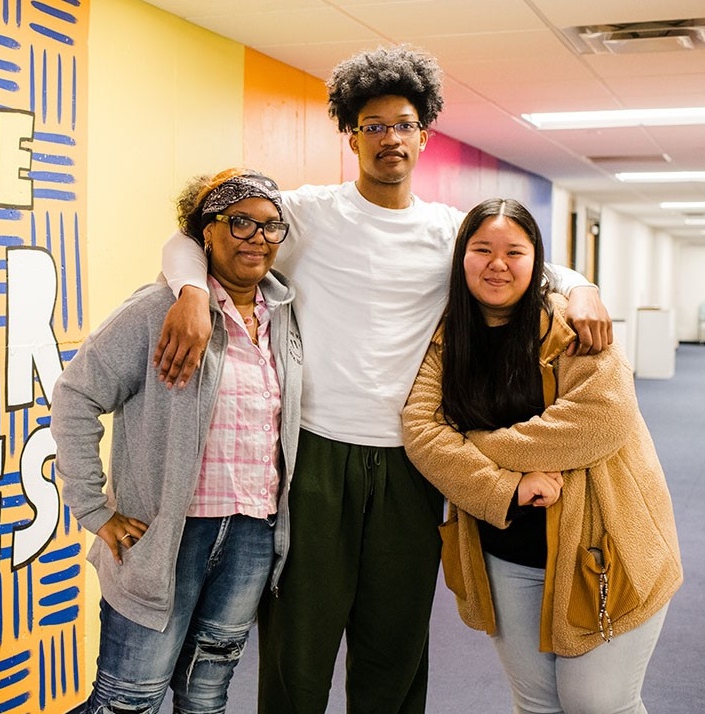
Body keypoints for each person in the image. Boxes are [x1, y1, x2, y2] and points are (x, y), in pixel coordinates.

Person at [154, 46, 612, 714]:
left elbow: (528, 268)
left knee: (393, 648)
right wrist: (192, 292)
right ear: (351, 134)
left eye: (402, 124)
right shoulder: (305, 213)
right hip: (314, 455)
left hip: (411, 463)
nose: (389, 137)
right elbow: (192, 234)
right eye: (373, 125)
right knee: (296, 649)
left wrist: (585, 290)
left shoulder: (450, 233)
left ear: (424, 134)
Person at [401, 198, 682, 713]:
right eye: (482, 249)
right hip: (504, 553)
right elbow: (421, 430)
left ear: (539, 261)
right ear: (462, 256)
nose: (498, 264)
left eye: (515, 251)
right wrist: (508, 485)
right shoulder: (447, 339)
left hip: (602, 543)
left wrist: (479, 447)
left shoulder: (575, 326)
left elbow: (602, 417)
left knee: (599, 705)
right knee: (536, 705)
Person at [51, 169, 303, 713]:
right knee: (129, 700)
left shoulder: (285, 318)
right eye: (240, 223)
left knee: (206, 695)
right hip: (166, 538)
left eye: (269, 227)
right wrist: (94, 509)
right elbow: (75, 396)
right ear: (205, 233)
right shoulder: (156, 310)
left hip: (250, 539)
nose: (258, 238)